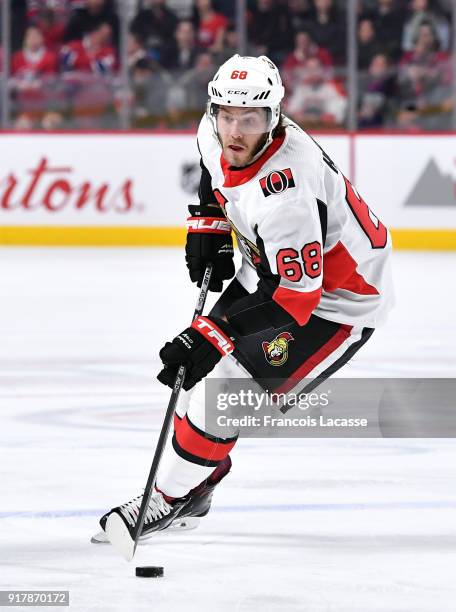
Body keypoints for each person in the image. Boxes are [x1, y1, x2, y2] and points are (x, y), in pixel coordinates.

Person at [98, 55, 394, 540]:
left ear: (273, 118)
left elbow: (297, 298)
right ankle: (199, 481)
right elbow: (211, 170)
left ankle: (169, 498)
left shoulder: (288, 193)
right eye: (226, 115)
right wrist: (208, 220)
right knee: (200, 379)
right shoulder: (213, 129)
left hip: (337, 302)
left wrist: (212, 335)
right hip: (271, 271)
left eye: (251, 119)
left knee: (225, 398)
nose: (235, 131)